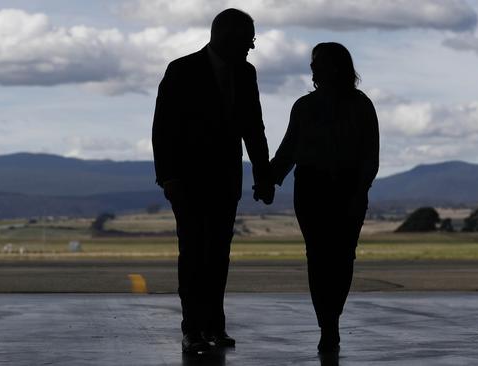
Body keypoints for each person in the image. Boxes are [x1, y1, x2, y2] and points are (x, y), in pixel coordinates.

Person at [151, 8, 274, 354]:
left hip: (224, 181)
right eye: (248, 38)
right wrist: (169, 176)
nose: (251, 46)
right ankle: (192, 328)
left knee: (218, 255)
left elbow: (254, 128)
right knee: (192, 254)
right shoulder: (181, 70)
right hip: (187, 182)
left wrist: (263, 175)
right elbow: (164, 129)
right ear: (226, 36)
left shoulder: (246, 74)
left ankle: (213, 327)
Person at [271, 42, 379, 353]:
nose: (312, 69)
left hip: (345, 188)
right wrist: (270, 180)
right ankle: (328, 323)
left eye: (316, 62)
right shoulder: (305, 107)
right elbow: (289, 151)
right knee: (321, 256)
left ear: (334, 66)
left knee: (340, 257)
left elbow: (370, 156)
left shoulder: (360, 106)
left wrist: (360, 191)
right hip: (313, 188)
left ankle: (330, 320)